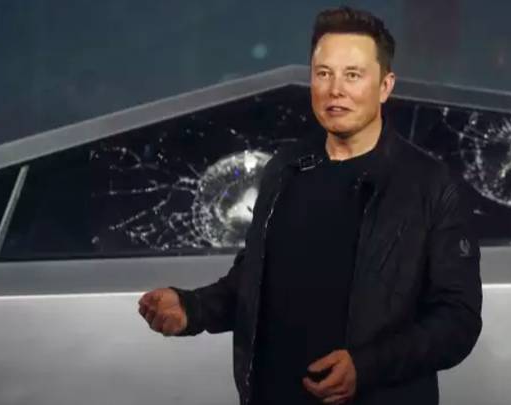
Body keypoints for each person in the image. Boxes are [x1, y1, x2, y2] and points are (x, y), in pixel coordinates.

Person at [138, 6, 482, 405]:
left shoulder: (429, 184)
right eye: (323, 74)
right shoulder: (285, 169)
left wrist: (366, 367)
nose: (335, 89)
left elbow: (457, 320)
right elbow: (254, 281)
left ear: (385, 86)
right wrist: (192, 308)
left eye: (352, 75)